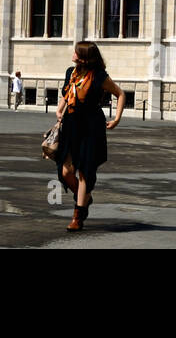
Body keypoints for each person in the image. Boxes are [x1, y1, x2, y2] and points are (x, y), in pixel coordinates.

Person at [54, 41, 124, 232]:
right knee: (66, 172)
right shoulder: (71, 72)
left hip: (91, 126)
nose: (73, 54)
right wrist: (59, 110)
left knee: (85, 170)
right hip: (70, 125)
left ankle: (78, 215)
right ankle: (84, 197)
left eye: (76, 52)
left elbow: (120, 93)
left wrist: (116, 119)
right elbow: (67, 93)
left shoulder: (99, 76)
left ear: (84, 56)